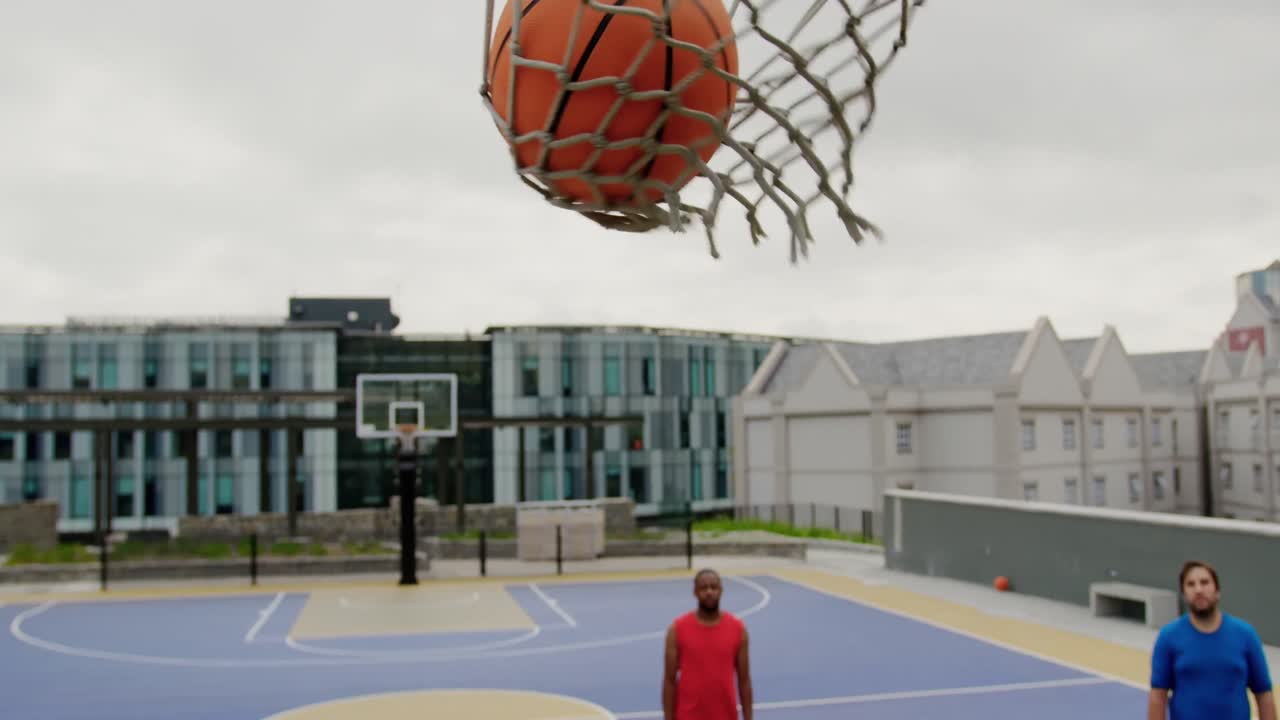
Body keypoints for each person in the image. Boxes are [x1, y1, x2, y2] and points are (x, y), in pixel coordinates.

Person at [1148, 560, 1276, 720]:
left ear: (1217, 591)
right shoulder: (1168, 637)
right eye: (1191, 584)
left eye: (1205, 582)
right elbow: (1158, 696)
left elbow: (1264, 693)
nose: (1199, 589)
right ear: (1184, 595)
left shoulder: (1245, 635)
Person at [663, 568, 753, 720]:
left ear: (721, 590)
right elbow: (669, 681)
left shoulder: (738, 629)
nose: (709, 592)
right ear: (695, 592)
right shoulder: (677, 630)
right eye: (703, 588)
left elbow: (744, 681)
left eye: (713, 587)